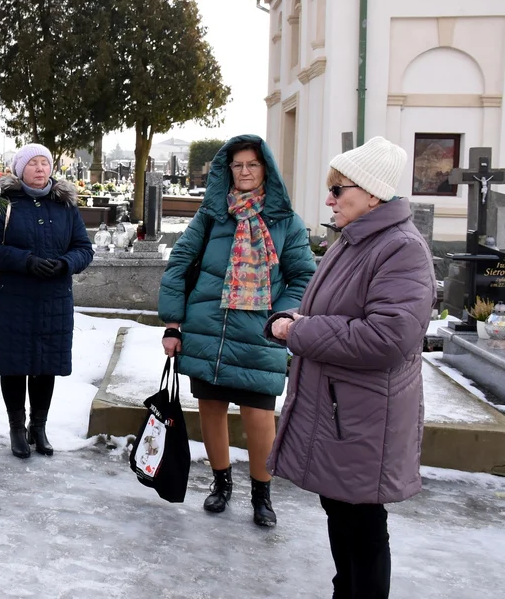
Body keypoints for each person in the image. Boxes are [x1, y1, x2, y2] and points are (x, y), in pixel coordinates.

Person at [266, 137, 434, 598]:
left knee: (361, 527)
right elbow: (330, 308)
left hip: (363, 418)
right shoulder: (356, 240)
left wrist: (296, 333)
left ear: (372, 192)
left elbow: (387, 338)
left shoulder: (401, 249)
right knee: (343, 519)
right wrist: (292, 318)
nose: (329, 199)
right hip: (340, 412)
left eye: (338, 190)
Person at [158, 134, 315, 527]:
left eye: (252, 165)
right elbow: (179, 264)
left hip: (259, 333)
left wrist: (280, 318)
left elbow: (302, 278)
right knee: (211, 410)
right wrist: (173, 323)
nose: (244, 172)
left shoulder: (286, 222)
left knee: (259, 415)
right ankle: (220, 483)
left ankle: (262, 493)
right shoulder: (211, 216)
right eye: (238, 165)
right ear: (227, 171)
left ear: (266, 170)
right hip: (208, 330)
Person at [0, 144, 94, 459]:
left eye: (45, 163)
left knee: (46, 364)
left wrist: (66, 263)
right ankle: (16, 428)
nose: (41, 169)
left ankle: (37, 427)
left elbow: (84, 247)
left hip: (54, 299)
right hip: (14, 298)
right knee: (14, 364)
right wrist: (25, 261)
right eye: (33, 164)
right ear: (20, 169)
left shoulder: (65, 205)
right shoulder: (3, 203)